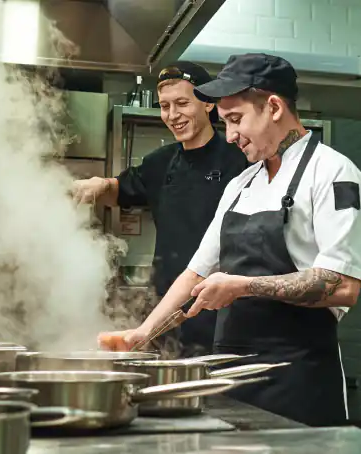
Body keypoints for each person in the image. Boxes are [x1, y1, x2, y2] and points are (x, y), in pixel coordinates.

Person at [97, 53, 361, 427]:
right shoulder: (241, 184)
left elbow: (343, 286)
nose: (229, 136)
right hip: (233, 375)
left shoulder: (333, 173)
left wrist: (242, 286)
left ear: (274, 107)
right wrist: (142, 333)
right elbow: (196, 272)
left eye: (236, 120)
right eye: (225, 122)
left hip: (298, 377)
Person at [73, 61, 247, 356]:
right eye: (165, 106)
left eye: (182, 103)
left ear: (208, 104)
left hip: (222, 310)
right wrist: (101, 184)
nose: (172, 115)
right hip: (167, 310)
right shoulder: (160, 162)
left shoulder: (239, 159)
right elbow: (121, 190)